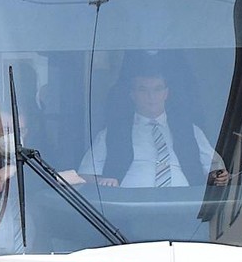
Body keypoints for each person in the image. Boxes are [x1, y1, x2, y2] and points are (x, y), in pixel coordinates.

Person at [74, 62, 230, 189]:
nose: (151, 96)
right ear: (132, 95)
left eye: (157, 89)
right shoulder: (112, 133)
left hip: (185, 210)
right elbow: (84, 176)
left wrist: (218, 177)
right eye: (143, 90)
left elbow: (216, 170)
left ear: (166, 93)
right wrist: (102, 182)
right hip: (127, 214)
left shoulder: (190, 131)